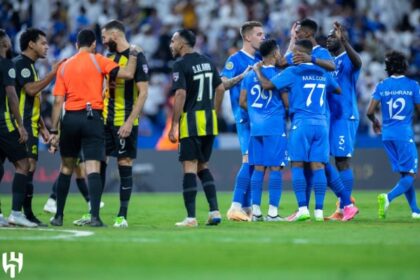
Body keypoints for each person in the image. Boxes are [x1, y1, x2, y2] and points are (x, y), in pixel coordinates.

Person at [255, 39, 358, 222]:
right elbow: (338, 89)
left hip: (301, 124)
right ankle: (319, 212)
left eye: (294, 52)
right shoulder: (322, 73)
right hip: (321, 124)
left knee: (297, 165)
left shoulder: (292, 72)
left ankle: (303, 208)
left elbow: (267, 85)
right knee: (319, 166)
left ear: (299, 54)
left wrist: (257, 70)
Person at [48, 29, 138, 227]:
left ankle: (58, 217)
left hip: (69, 119)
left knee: (66, 168)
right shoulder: (99, 60)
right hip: (92, 118)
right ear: (94, 44)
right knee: (93, 168)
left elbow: (57, 102)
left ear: (76, 45)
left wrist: (54, 131)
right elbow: (129, 74)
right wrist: (132, 54)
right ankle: (95, 217)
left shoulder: (64, 66)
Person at [168, 29, 225, 227]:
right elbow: (220, 88)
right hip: (209, 121)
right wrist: (214, 112)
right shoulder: (208, 61)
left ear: (182, 44)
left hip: (191, 121)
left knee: (189, 167)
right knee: (203, 165)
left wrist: (175, 124)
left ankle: (191, 218)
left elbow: (181, 94)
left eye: (173, 41)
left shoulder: (180, 64)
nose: (171, 44)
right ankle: (214, 211)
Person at [98, 20, 149, 228]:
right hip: (104, 119)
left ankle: (121, 216)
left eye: (104, 37)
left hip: (124, 121)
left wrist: (129, 121)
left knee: (124, 164)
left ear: (115, 35)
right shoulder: (108, 57)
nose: (103, 41)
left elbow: (143, 93)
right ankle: (93, 212)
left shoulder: (137, 56)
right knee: (98, 163)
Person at [13, 28, 65, 226]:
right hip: (21, 124)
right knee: (26, 166)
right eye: (43, 43)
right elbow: (31, 89)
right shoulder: (22, 64)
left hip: (31, 123)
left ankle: (25, 213)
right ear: (31, 44)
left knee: (30, 167)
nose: (47, 46)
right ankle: (20, 213)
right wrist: (54, 72)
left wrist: (42, 127)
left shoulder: (31, 66)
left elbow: (32, 99)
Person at [366, 51, 420, 220]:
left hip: (387, 135)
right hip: (404, 134)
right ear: (404, 66)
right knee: (410, 174)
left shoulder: (382, 85)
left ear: (388, 68)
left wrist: (375, 122)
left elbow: (369, 112)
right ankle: (387, 198)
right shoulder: (413, 85)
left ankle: (415, 211)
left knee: (405, 174)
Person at [239, 39, 288, 222]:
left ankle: (256, 212)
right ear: (275, 53)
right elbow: (286, 103)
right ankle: (273, 213)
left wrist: (255, 113)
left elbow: (242, 102)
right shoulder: (279, 74)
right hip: (274, 126)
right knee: (276, 168)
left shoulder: (249, 75)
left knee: (258, 168)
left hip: (255, 128)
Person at [221, 21, 265, 222]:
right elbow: (222, 84)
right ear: (247, 37)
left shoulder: (260, 58)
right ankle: (235, 206)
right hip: (244, 117)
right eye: (259, 34)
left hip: (260, 118)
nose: (262, 38)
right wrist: (243, 75)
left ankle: (247, 207)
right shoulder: (235, 59)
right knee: (248, 160)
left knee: (255, 163)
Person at [325, 22, 362, 220]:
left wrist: (345, 41)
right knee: (322, 160)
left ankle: (343, 208)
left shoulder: (347, 60)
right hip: (330, 117)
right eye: (328, 36)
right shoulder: (329, 62)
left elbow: (359, 63)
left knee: (342, 161)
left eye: (333, 36)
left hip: (345, 115)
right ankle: (346, 200)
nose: (328, 39)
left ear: (341, 38)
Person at [0, 29, 36, 227]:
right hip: (3, 122)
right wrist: (20, 125)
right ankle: (15, 213)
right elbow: (13, 97)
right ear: (4, 43)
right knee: (23, 164)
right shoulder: (7, 64)